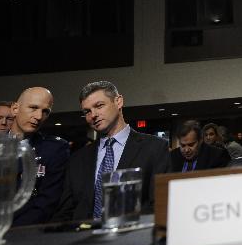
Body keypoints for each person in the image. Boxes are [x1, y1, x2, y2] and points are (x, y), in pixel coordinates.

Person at [54, 81, 170, 221]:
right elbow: (66, 211)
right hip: (82, 239)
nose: (93, 115)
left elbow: (158, 203)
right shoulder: (77, 159)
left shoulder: (155, 148)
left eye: (99, 106)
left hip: (132, 238)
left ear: (118, 101)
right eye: (87, 111)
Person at [8, 87, 69, 226]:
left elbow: (47, 202)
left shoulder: (54, 149)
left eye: (45, 111)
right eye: (33, 108)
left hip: (26, 231)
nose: (39, 116)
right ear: (15, 109)